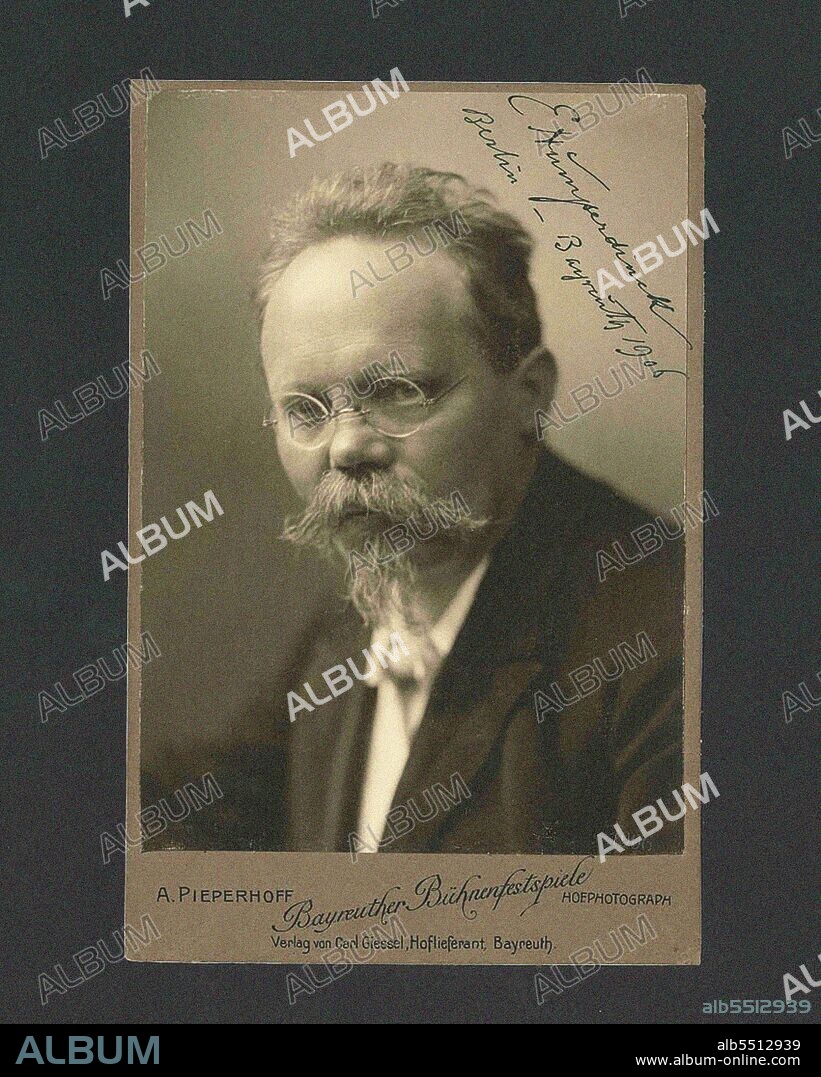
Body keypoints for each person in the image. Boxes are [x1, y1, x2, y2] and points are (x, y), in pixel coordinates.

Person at [144, 163, 684, 856]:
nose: (346, 447)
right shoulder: (370, 595)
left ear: (529, 394)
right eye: (304, 409)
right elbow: (218, 797)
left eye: (398, 392)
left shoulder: (668, 634)